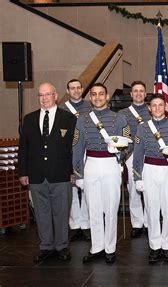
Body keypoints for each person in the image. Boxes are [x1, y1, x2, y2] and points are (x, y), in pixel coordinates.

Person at [73, 83, 131, 264]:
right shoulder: (82, 120)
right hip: (91, 165)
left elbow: (129, 144)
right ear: (90, 98)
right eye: (94, 95)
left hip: (111, 165)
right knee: (94, 209)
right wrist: (79, 174)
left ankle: (110, 248)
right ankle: (96, 247)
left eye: (101, 94)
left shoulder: (119, 118)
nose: (97, 98)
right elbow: (77, 147)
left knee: (111, 208)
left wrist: (120, 153)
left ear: (107, 97)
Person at [18, 82, 77, 262]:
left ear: (55, 95)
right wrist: (23, 172)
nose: (44, 98)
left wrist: (73, 170)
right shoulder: (28, 119)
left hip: (60, 174)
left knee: (61, 212)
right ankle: (46, 246)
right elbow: (24, 149)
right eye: (40, 95)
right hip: (36, 175)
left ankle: (62, 246)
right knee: (42, 213)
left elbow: (73, 148)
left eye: (47, 94)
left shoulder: (69, 118)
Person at [133, 94, 168, 263]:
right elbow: (138, 154)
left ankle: (167, 245)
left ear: (165, 108)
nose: (157, 108)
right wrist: (137, 177)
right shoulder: (142, 128)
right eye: (154, 105)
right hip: (149, 170)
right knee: (152, 209)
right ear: (149, 108)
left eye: (160, 105)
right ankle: (155, 246)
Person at [59, 79, 91, 241]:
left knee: (86, 187)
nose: (76, 91)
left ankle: (85, 223)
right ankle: (74, 223)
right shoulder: (62, 109)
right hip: (68, 152)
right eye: (72, 88)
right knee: (71, 187)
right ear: (67, 90)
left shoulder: (90, 106)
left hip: (86, 151)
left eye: (79, 88)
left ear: (82, 89)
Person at [118, 80, 150, 238]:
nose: (138, 94)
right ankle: (137, 223)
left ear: (145, 93)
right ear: (131, 94)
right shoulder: (123, 113)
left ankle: (150, 222)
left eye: (141, 91)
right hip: (132, 154)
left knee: (150, 190)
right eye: (135, 91)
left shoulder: (153, 110)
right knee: (134, 189)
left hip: (150, 155)